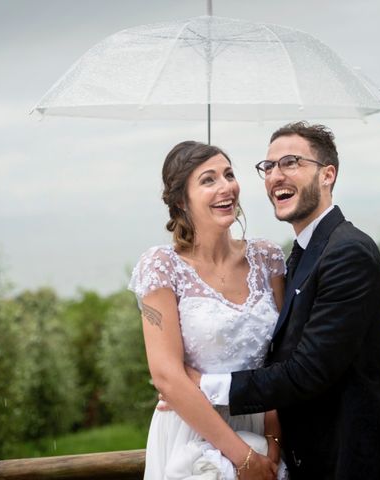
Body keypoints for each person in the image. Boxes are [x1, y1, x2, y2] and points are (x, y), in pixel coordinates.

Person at [191, 122, 380, 479]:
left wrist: (203, 386)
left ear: (328, 175)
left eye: (291, 162)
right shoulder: (302, 252)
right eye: (269, 167)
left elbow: (308, 372)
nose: (275, 175)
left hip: (351, 463)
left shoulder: (348, 253)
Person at [129, 141, 288, 480]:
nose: (226, 186)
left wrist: (272, 443)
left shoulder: (267, 258)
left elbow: (281, 360)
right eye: (208, 180)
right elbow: (166, 376)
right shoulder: (161, 267)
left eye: (229, 174)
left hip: (263, 423)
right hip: (191, 433)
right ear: (180, 201)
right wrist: (243, 457)